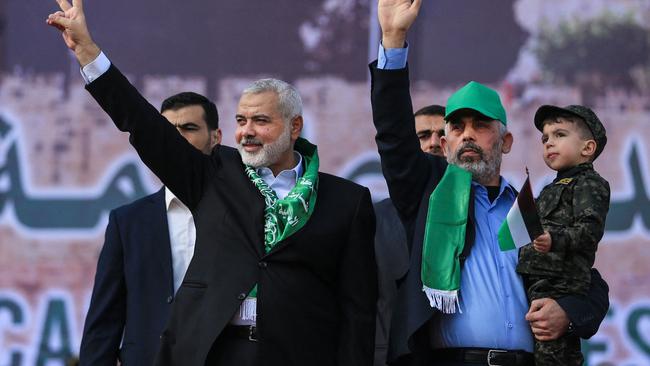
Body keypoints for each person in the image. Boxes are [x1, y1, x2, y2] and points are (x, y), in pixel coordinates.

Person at [46, 1, 377, 366]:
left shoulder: (347, 201)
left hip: (300, 353)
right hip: (215, 351)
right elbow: (144, 125)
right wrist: (89, 54)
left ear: (294, 127)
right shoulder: (216, 176)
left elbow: (357, 309)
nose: (247, 132)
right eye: (241, 120)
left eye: (261, 121)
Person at [368, 1, 609, 365]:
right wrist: (393, 39)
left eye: (480, 127)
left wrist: (569, 313)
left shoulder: (531, 207)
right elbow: (393, 136)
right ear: (445, 143)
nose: (468, 136)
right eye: (458, 127)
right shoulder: (429, 194)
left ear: (505, 143)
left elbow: (589, 282)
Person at [79, 92, 221, 366]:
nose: (177, 139)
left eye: (189, 128)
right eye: (167, 131)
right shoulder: (128, 222)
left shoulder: (244, 212)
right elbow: (104, 322)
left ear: (216, 137)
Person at [517, 105, 610, 365]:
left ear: (587, 148)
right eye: (545, 138)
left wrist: (555, 240)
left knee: (554, 355)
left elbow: (590, 230)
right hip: (538, 283)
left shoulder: (590, 184)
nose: (549, 143)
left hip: (561, 286)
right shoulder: (550, 188)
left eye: (559, 135)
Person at [375, 104, 445, 366]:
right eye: (423, 136)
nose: (434, 144)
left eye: (443, 135)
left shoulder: (486, 211)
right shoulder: (372, 219)